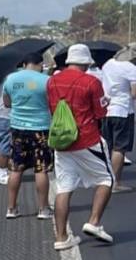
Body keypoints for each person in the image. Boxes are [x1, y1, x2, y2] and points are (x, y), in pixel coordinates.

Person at [47, 44, 114, 251]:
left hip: (62, 141)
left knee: (64, 187)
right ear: (86, 62)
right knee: (106, 179)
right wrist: (105, 102)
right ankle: (94, 222)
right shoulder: (91, 82)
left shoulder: (52, 81)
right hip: (87, 138)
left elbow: (51, 108)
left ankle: (61, 237)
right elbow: (100, 113)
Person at [3, 53, 53, 220]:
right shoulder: (46, 80)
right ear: (40, 64)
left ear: (24, 64)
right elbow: (51, 102)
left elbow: (7, 103)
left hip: (18, 127)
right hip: (41, 127)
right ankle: (43, 209)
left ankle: (11, 208)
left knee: (16, 168)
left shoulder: (10, 79)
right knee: (41, 168)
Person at [100, 47, 136, 192]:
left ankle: (105, 179)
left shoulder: (107, 64)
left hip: (107, 109)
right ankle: (115, 182)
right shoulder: (131, 69)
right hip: (123, 110)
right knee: (119, 148)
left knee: (107, 146)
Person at [0, 78, 12, 185]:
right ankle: (3, 173)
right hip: (7, 114)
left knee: (2, 143)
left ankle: (0, 170)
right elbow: (8, 101)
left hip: (0, 114)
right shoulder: (8, 81)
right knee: (5, 144)